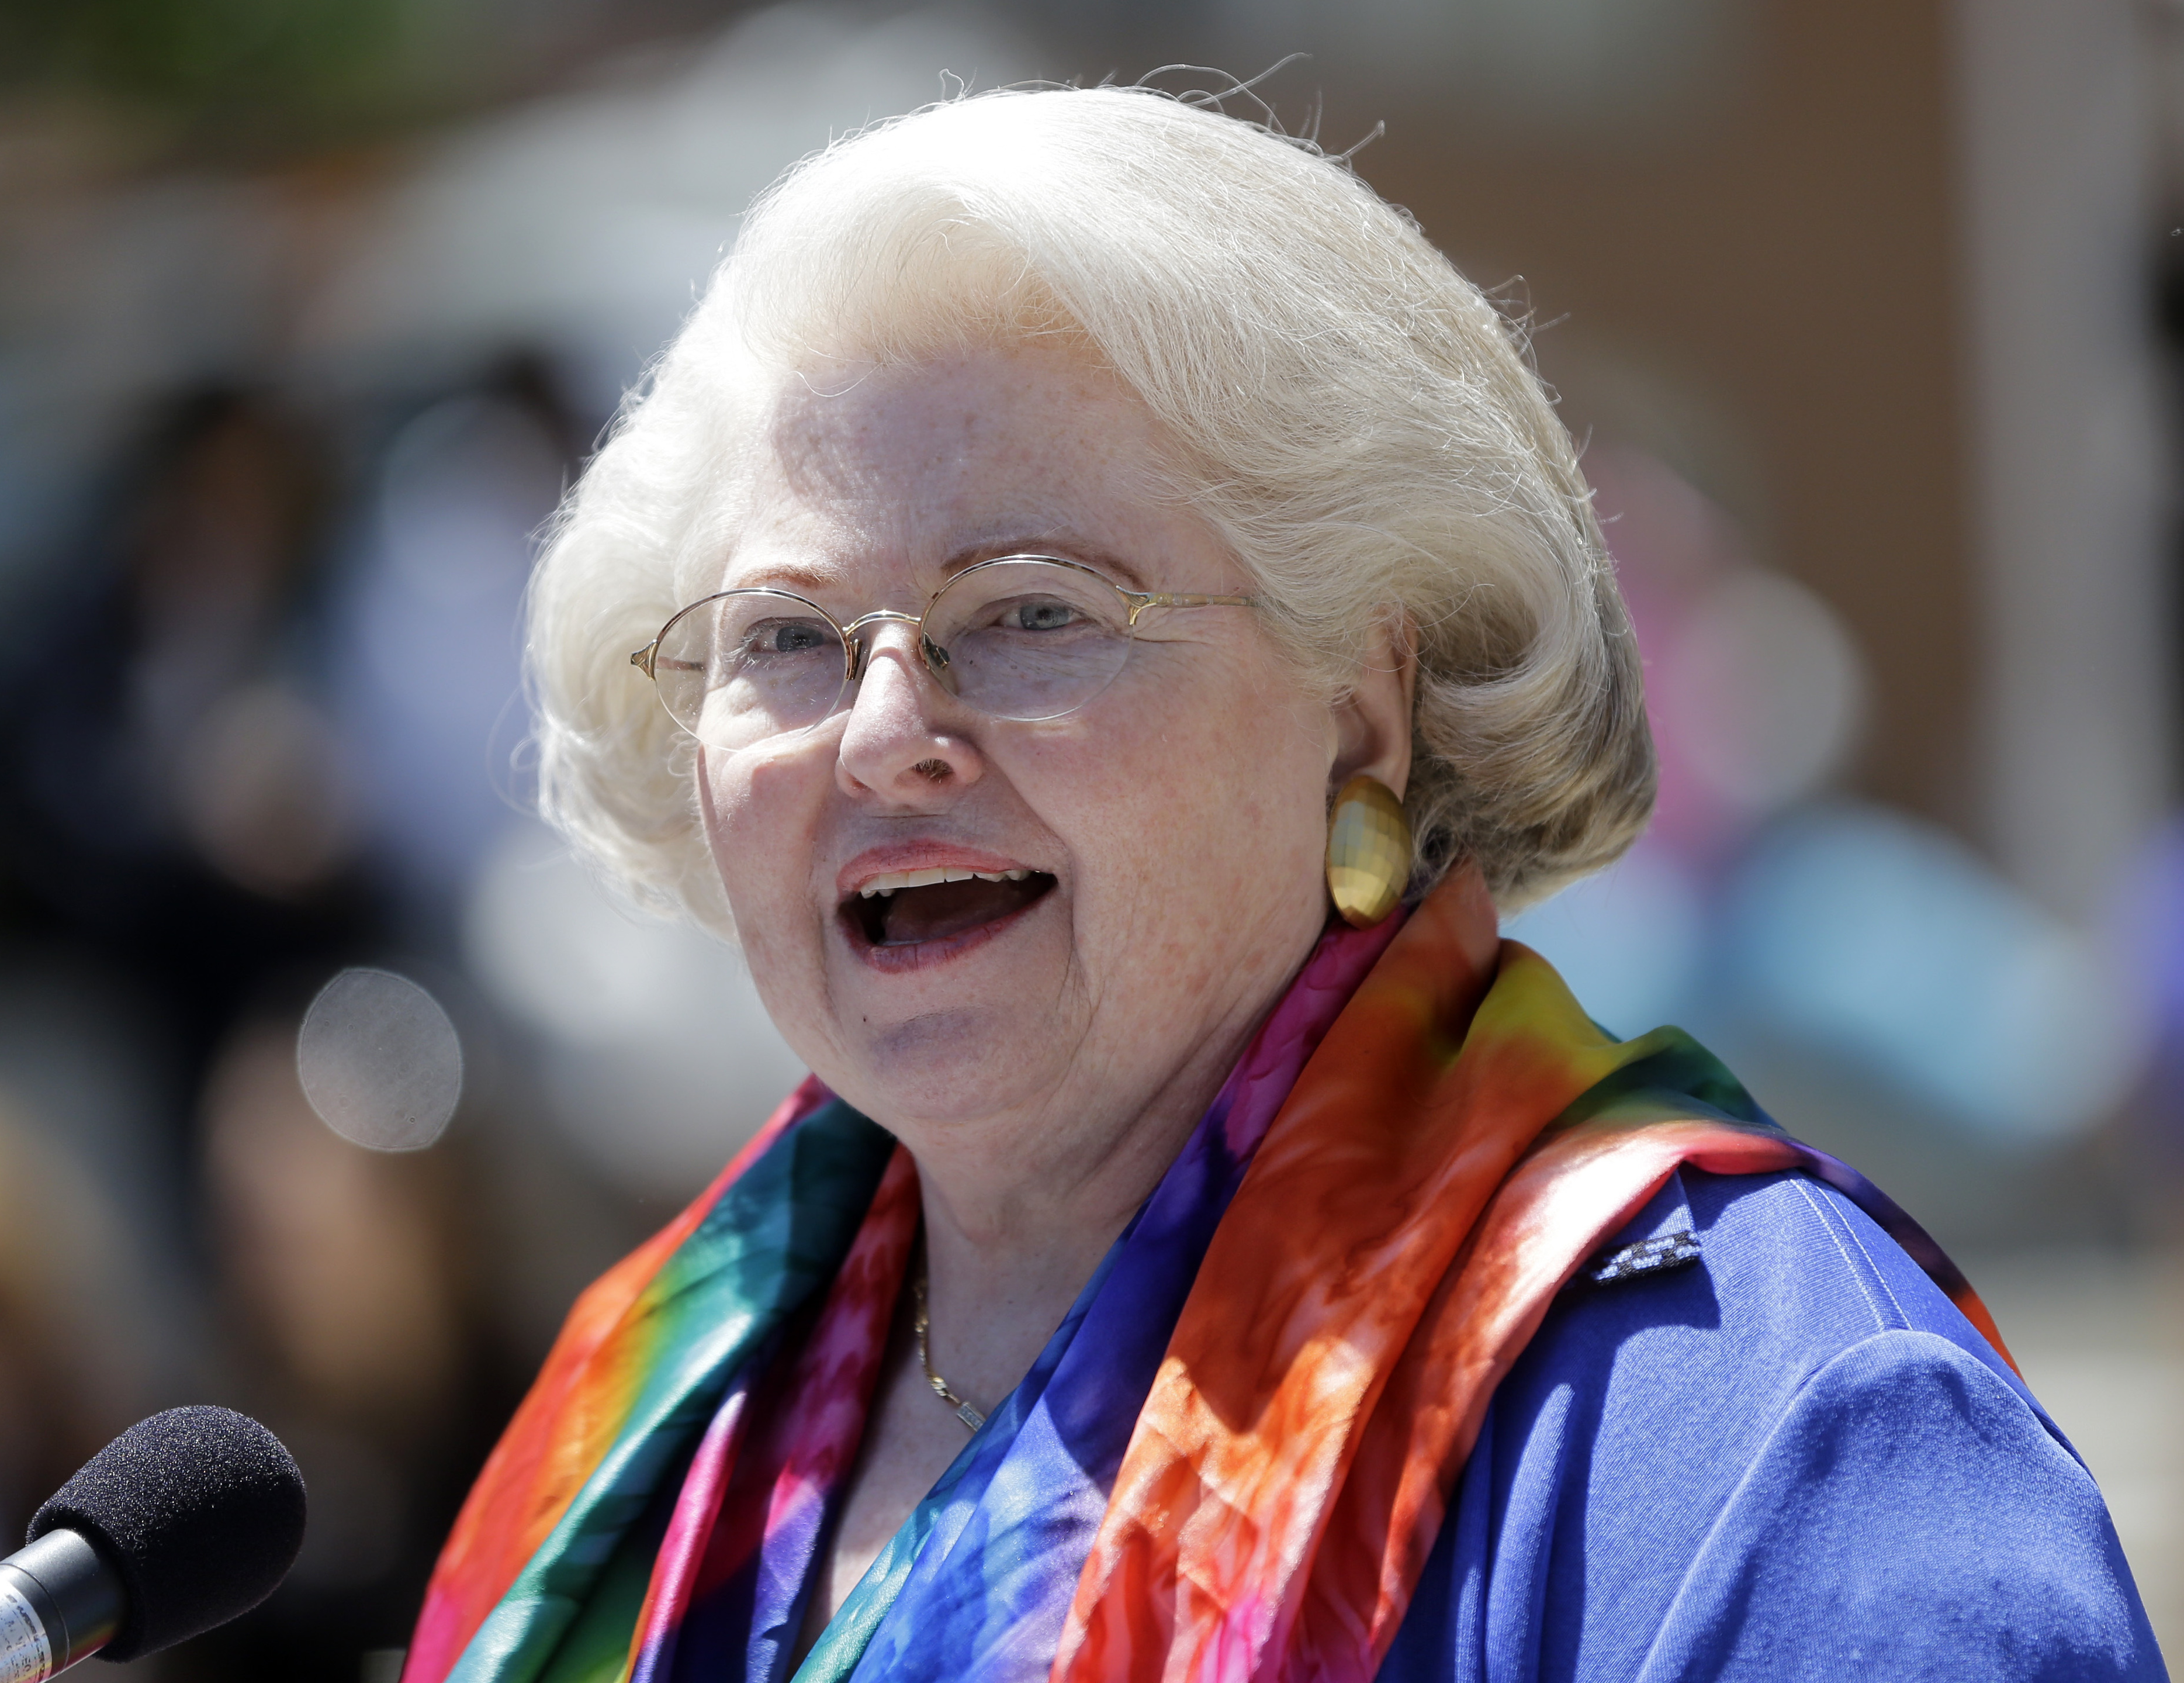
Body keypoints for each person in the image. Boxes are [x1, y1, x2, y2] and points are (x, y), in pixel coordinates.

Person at [403, 87, 2165, 1683]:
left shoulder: (1746, 1417)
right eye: (786, 636)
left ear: (1366, 708)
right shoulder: (644, 1404)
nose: (881, 737)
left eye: (1032, 611)